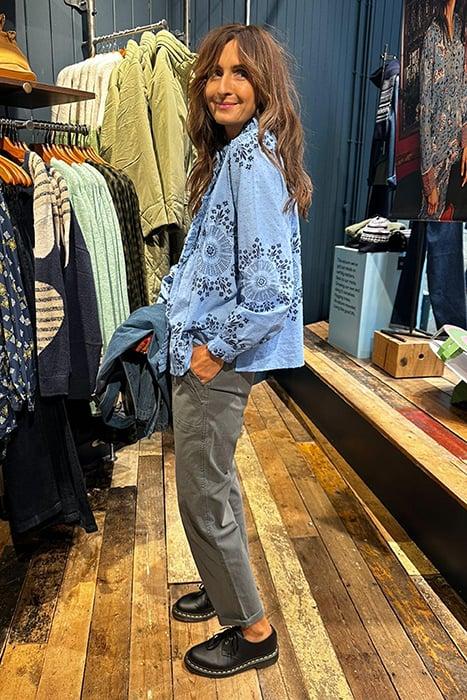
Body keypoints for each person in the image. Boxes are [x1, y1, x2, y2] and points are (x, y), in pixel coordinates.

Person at [157, 23, 312, 678]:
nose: (223, 86)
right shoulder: (238, 154)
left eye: (240, 72)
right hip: (206, 346)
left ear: (264, 84)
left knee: (202, 493)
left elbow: (273, 292)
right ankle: (220, 586)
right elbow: (208, 259)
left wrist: (212, 351)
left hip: (217, 358)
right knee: (211, 483)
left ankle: (252, 631)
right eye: (215, 73)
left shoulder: (250, 161)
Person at [419, 0, 467, 218]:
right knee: (430, 220)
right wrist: (429, 180)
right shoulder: (432, 34)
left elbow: (464, 91)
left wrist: (466, 143)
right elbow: (425, 106)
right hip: (436, 153)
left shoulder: (460, 30)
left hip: (457, 151)